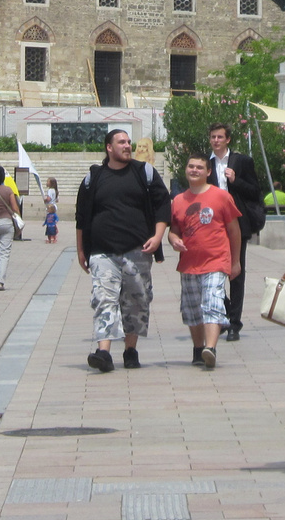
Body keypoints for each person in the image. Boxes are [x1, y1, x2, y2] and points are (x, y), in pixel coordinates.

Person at [75, 129, 170, 372]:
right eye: (122, 142)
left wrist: (158, 237)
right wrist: (81, 251)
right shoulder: (94, 177)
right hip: (102, 252)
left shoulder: (143, 173)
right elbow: (82, 216)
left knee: (136, 302)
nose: (128, 145)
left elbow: (163, 206)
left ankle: (130, 350)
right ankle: (103, 353)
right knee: (104, 300)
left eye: (129, 142)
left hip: (137, 251)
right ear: (109, 147)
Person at [168, 153, 243, 369]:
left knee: (212, 303)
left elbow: (234, 230)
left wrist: (235, 261)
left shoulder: (221, 197)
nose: (194, 170)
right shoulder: (179, 201)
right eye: (191, 166)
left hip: (216, 261)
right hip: (189, 264)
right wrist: (174, 240)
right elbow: (173, 231)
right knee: (192, 310)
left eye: (199, 167)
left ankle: (211, 348)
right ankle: (198, 348)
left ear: (208, 172)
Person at [207, 122, 262, 342]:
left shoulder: (242, 161)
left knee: (236, 273)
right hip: (212, 226)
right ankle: (225, 313)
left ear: (227, 139)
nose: (216, 141)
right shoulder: (207, 163)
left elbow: (255, 191)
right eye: (213, 137)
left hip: (236, 223)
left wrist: (235, 181)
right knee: (211, 273)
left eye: (220, 137)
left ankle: (234, 324)